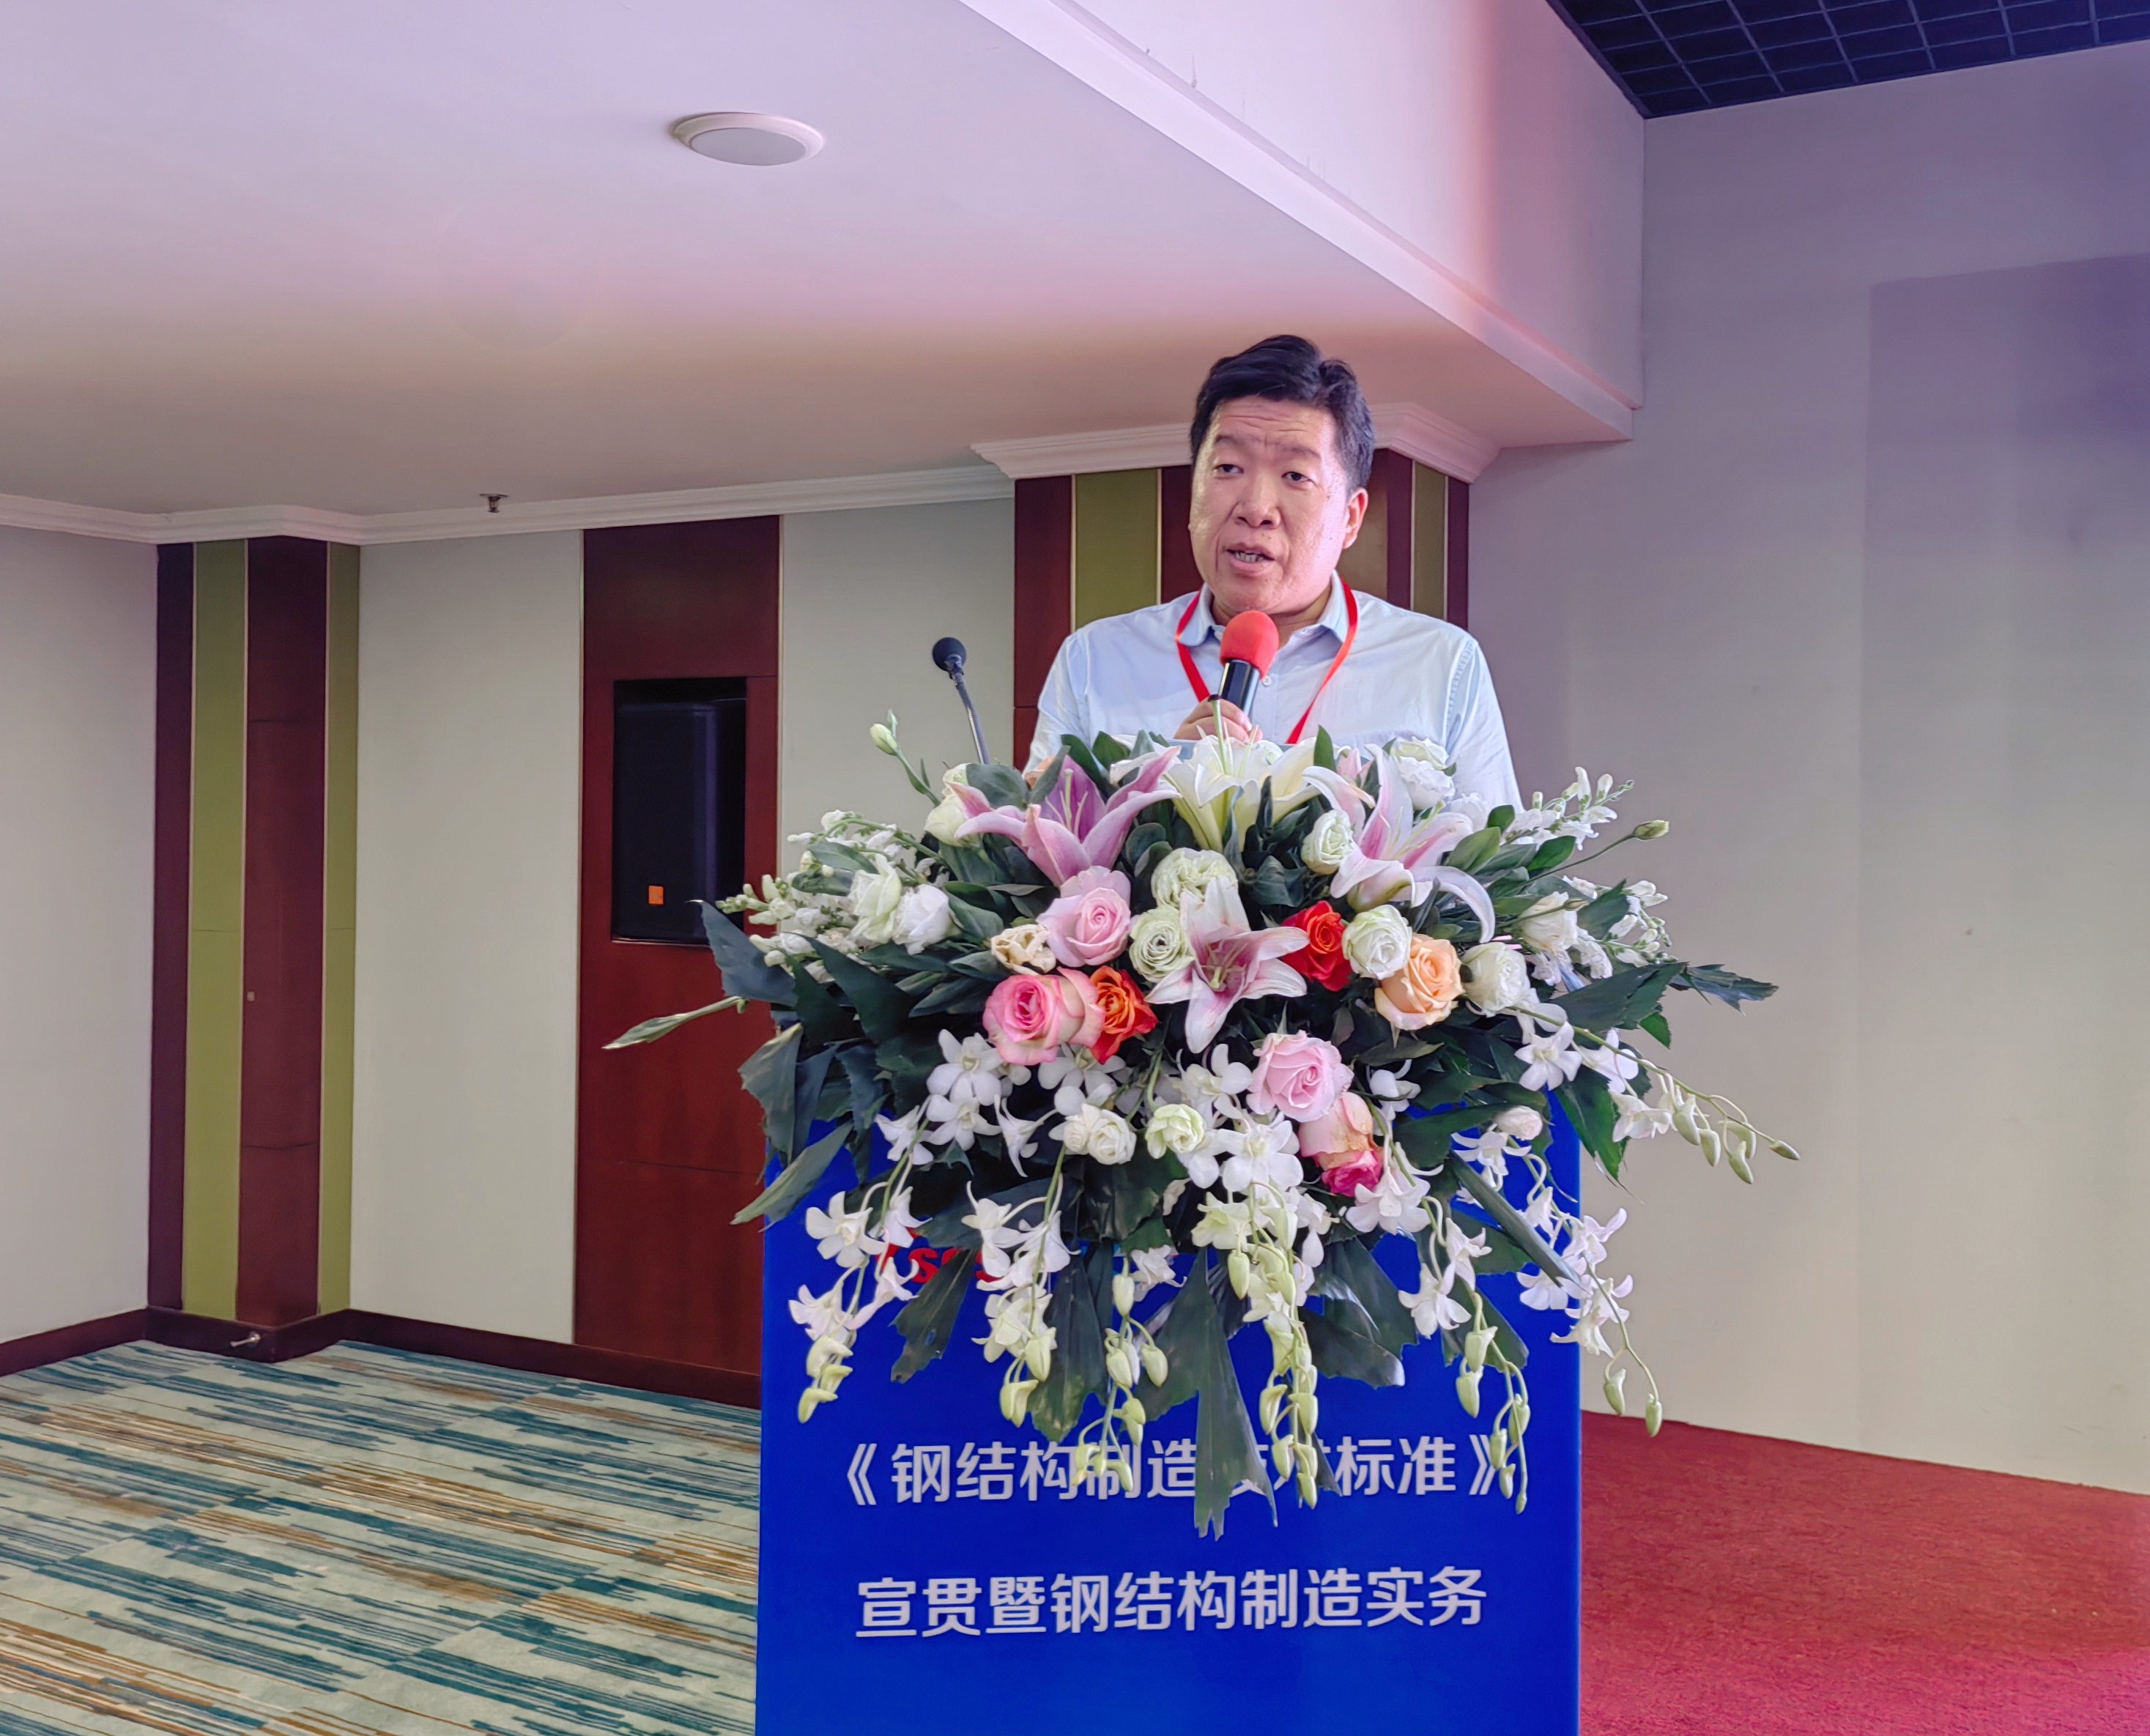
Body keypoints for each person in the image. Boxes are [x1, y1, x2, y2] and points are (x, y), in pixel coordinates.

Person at [1028, 335, 1521, 812]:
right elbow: (1036, 846)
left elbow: (1499, 858)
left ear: (1351, 518)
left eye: (1295, 476)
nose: (1256, 508)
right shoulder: (1096, 661)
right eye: (1228, 468)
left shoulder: (1439, 663)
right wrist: (1156, 784)